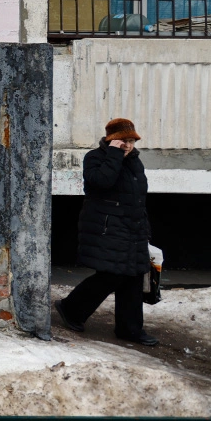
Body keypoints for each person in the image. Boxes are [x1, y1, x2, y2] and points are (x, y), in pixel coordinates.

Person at [55, 118, 158, 346]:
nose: (129, 146)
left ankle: (129, 329)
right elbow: (101, 182)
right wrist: (114, 156)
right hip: (107, 227)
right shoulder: (95, 158)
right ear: (112, 141)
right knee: (113, 274)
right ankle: (71, 309)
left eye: (131, 141)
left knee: (133, 275)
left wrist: (145, 229)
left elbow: (139, 199)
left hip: (133, 229)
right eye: (124, 141)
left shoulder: (135, 162)